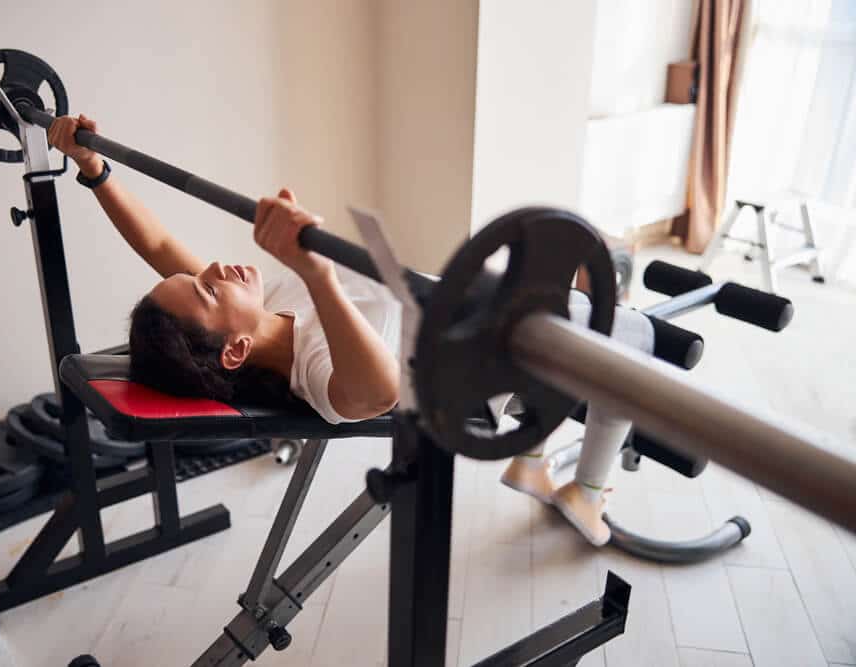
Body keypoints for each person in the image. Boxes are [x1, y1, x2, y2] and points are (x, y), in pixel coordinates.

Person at [47, 114, 652, 546]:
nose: (212, 268)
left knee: (572, 282)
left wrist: (95, 168)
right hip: (492, 357)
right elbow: (380, 391)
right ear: (234, 349)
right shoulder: (316, 370)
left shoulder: (268, 304)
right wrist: (314, 272)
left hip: (459, 302)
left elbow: (157, 245)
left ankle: (533, 456)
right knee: (635, 342)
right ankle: (588, 491)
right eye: (209, 287)